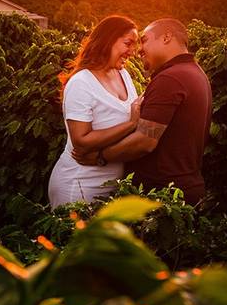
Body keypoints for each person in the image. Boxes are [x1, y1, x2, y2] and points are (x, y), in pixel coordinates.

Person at [72, 19, 212, 204]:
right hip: (181, 187)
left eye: (144, 40)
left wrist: (100, 157)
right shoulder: (195, 73)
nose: (139, 49)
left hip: (164, 193)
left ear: (167, 37)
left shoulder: (170, 78)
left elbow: (145, 141)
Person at [47, 15, 143, 207]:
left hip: (112, 188)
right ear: (108, 40)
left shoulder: (123, 74)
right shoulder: (81, 83)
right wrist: (131, 124)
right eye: (128, 43)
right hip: (79, 186)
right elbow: (81, 142)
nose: (133, 51)